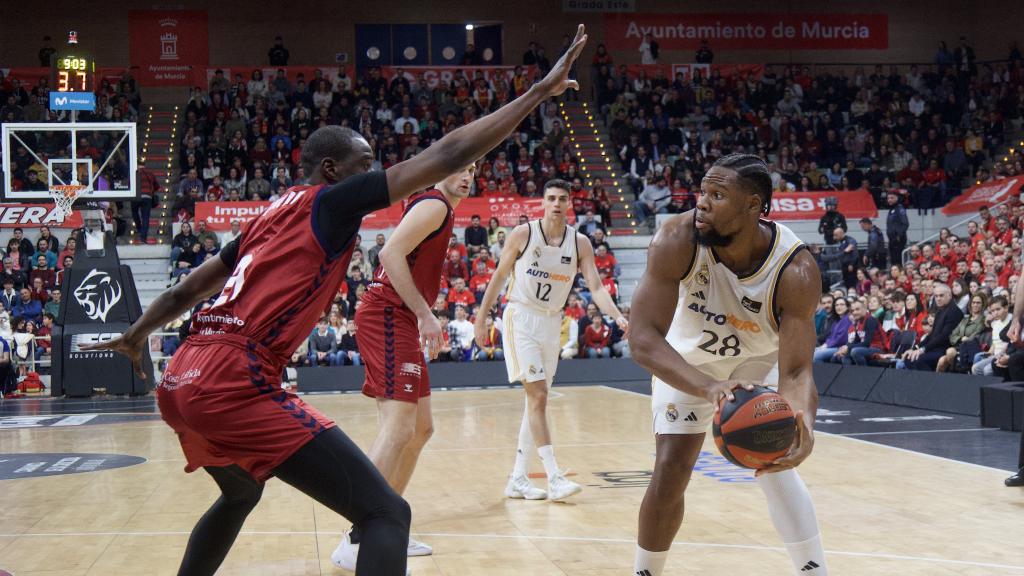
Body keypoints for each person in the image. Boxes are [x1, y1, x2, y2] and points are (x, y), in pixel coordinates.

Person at [83, 24, 590, 576]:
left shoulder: (269, 214)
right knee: (385, 515)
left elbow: (189, 287)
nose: (371, 175)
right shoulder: (331, 203)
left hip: (182, 375)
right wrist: (538, 92)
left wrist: (137, 334)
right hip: (233, 377)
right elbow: (447, 153)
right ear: (331, 170)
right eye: (363, 164)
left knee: (239, 495)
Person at [628, 154, 828, 576]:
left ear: (753, 206)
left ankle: (814, 571)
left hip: (757, 362)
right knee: (671, 469)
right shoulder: (675, 238)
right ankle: (645, 571)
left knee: (775, 458)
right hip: (688, 361)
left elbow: (795, 371)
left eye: (717, 196)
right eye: (702, 192)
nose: (701, 203)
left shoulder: (796, 268)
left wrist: (803, 422)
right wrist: (706, 387)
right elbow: (643, 340)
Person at [332, 164, 476, 569]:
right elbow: (389, 252)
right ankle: (358, 538)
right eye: (461, 168)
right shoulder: (435, 205)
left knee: (421, 429)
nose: (468, 176)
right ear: (442, 171)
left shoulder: (439, 208)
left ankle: (387, 526)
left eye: (474, 170)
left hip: (400, 318)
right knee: (398, 430)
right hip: (388, 314)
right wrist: (425, 314)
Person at [474, 178, 628, 501]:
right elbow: (499, 276)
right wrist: (481, 317)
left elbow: (597, 288)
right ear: (542, 203)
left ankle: (517, 478)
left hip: (552, 322)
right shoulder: (524, 234)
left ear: (570, 203)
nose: (556, 204)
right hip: (521, 317)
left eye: (562, 199)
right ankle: (553, 476)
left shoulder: (580, 243)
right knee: (539, 396)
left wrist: (617, 316)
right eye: (551, 198)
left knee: (536, 402)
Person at [885, 192, 909, 266]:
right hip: (892, 240)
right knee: (893, 262)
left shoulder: (900, 208)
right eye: (888, 198)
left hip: (898, 240)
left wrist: (899, 236)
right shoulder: (891, 209)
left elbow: (905, 224)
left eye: (892, 198)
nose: (889, 200)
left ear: (897, 198)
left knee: (898, 261)